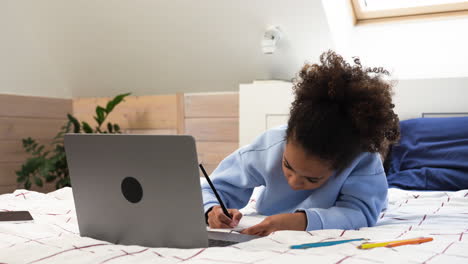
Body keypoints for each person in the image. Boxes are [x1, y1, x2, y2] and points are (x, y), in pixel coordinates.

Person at [201, 50, 400, 236]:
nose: (293, 182)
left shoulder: (363, 161)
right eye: (287, 166)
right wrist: (212, 209)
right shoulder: (269, 146)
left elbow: (361, 213)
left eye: (312, 179)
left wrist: (299, 222)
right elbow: (211, 187)